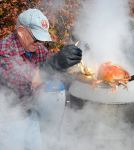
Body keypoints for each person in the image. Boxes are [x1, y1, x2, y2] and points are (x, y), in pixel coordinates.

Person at [0, 8, 82, 150]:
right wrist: (54, 63)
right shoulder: (5, 50)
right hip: (7, 119)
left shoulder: (36, 47)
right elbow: (28, 80)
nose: (40, 43)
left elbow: (57, 69)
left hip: (31, 113)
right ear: (21, 32)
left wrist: (93, 76)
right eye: (37, 38)